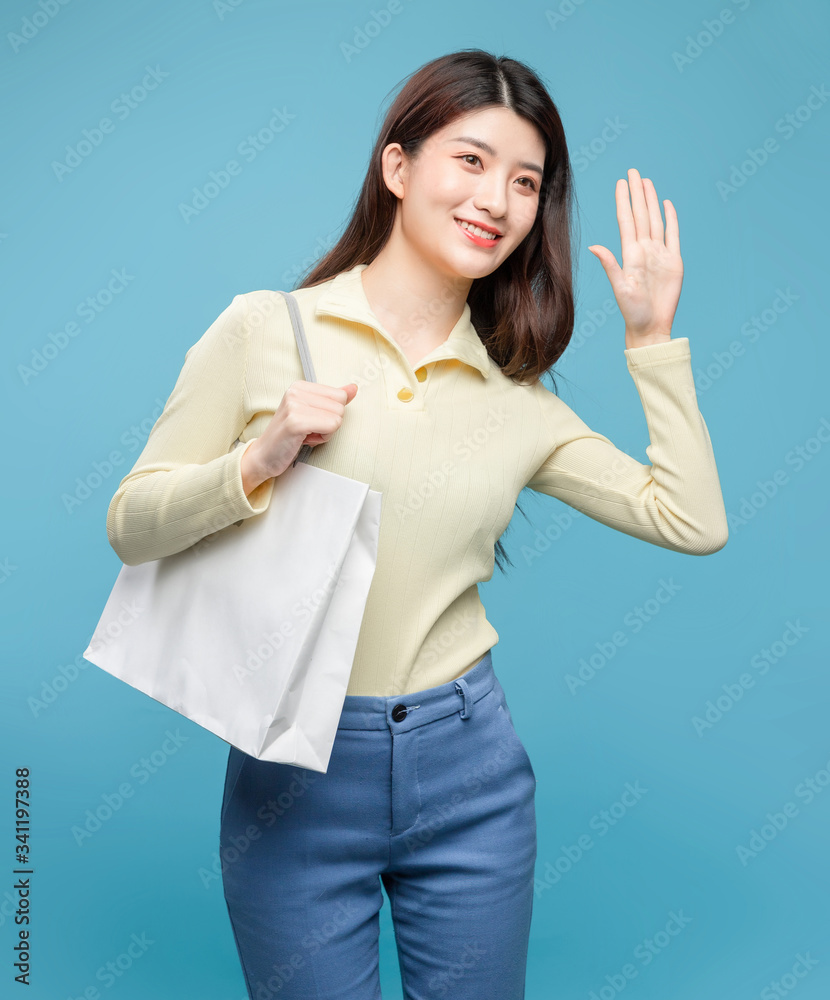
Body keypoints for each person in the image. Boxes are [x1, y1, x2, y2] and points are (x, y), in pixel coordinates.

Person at [106, 48, 728, 1000]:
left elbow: (690, 519)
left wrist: (651, 338)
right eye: (470, 162)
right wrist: (254, 463)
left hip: (468, 766)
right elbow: (130, 524)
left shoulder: (514, 397)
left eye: (526, 182)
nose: (498, 200)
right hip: (296, 778)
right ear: (398, 169)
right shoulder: (266, 329)